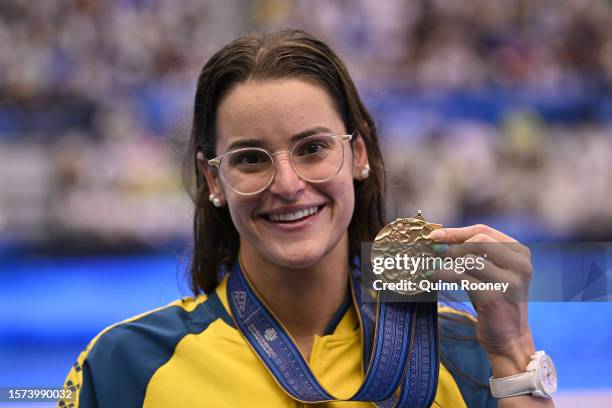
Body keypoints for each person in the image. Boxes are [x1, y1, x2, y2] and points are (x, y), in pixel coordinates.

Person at [61, 29, 555, 408]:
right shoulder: (124, 366)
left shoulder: (462, 351)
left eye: (313, 148)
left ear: (359, 154)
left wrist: (513, 354)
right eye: (251, 158)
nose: (288, 183)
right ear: (213, 180)